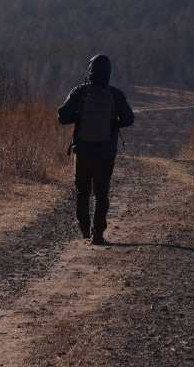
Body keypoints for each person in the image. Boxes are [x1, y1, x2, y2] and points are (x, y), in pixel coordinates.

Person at [57, 54, 136, 246]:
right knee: (101, 194)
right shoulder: (115, 94)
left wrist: (81, 118)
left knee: (82, 191)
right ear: (108, 72)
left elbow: (62, 117)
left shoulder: (79, 91)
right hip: (106, 151)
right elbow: (129, 118)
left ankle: (84, 229)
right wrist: (112, 123)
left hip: (82, 150)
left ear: (90, 71)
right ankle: (98, 233)